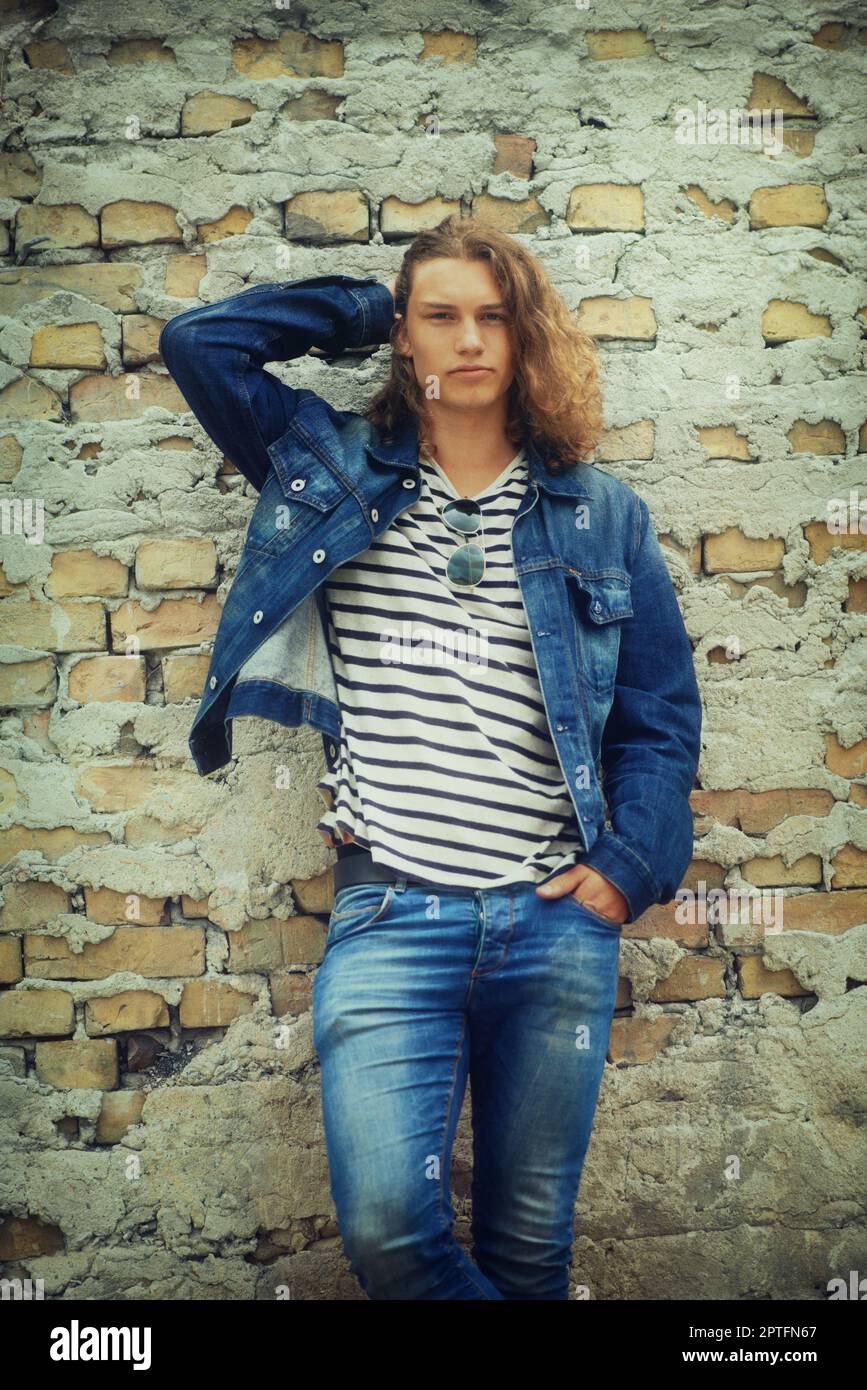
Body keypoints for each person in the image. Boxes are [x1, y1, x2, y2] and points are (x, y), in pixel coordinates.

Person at [159, 215, 702, 1300]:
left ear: (525, 336)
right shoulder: (330, 469)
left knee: (530, 1251)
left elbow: (658, 715)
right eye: (441, 316)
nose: (469, 340)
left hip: (555, 923)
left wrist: (628, 868)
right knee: (392, 1235)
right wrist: (372, 305)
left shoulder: (600, 515)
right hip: (392, 915)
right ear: (407, 335)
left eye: (494, 316)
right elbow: (199, 345)